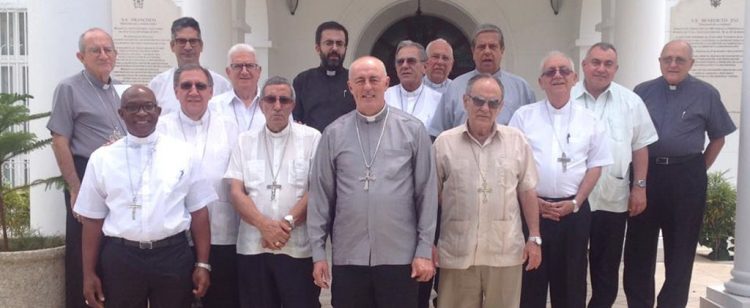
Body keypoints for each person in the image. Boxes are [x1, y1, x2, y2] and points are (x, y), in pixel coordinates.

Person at [307, 56, 438, 308]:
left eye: (374, 80)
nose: (367, 87)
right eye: (360, 81)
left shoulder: (412, 130)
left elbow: (427, 194)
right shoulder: (333, 133)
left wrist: (424, 250)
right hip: (349, 256)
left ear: (386, 83)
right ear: (351, 86)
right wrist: (318, 253)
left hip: (400, 256)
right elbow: (321, 197)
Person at [75, 85, 214, 308]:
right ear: (121, 114)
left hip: (172, 255)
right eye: (132, 108)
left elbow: (199, 212)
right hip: (122, 257)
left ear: (158, 112)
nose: (141, 113)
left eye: (148, 107)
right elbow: (92, 219)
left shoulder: (183, 153)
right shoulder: (102, 158)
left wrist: (203, 264)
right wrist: (88, 274)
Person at [623, 40, 736, 308]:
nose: (673, 64)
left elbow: (718, 137)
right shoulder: (642, 91)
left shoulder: (706, 93)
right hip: (646, 175)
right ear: (660, 61)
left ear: (691, 64)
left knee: (681, 251)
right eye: (667, 59)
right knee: (639, 249)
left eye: (680, 60)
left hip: (686, 178)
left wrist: (696, 169)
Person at [509, 51, 612, 308]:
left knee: (571, 285)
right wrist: (535, 202)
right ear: (541, 81)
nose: (557, 76)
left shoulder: (590, 120)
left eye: (564, 71)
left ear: (574, 78)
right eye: (550, 72)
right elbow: (512, 163)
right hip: (532, 211)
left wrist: (576, 202)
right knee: (529, 282)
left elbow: (595, 166)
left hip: (573, 213)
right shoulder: (524, 116)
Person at [434, 73, 542, 308]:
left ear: (501, 106)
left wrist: (534, 237)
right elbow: (432, 198)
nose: (485, 108)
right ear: (465, 101)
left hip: (504, 251)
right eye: (478, 101)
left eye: (493, 103)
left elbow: (527, 192)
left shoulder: (517, 141)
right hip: (457, 252)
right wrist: (429, 243)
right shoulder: (444, 143)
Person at [570, 42, 658, 308]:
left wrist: (639, 187)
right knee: (572, 268)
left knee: (606, 270)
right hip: (574, 200)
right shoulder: (566, 98)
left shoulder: (631, 102)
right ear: (584, 65)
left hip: (613, 199)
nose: (601, 68)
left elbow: (640, 146)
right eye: (595, 62)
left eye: (608, 64)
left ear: (616, 69)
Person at [225, 76, 322, 308]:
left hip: (297, 248)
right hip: (254, 246)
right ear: (261, 105)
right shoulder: (244, 141)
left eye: (284, 100)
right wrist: (264, 226)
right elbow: (236, 191)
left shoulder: (312, 138)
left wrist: (286, 224)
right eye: (270, 99)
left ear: (293, 105)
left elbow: (317, 189)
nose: (277, 106)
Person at [47, 28, 126, 308]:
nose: (104, 55)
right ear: (81, 56)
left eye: (108, 49)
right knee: (85, 254)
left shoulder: (120, 89)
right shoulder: (68, 88)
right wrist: (75, 187)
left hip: (117, 178)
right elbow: (60, 140)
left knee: (114, 247)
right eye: (96, 50)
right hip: (85, 175)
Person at [156, 64, 240, 307]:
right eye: (186, 86)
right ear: (176, 91)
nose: (194, 91)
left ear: (211, 92)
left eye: (200, 86)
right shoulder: (160, 128)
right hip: (175, 239)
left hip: (221, 234)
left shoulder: (229, 126)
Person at [428, 23, 535, 137]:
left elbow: (533, 132)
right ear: (473, 51)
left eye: (492, 46)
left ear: (502, 50)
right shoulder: (455, 87)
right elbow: (438, 134)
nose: (487, 51)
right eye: (481, 47)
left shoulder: (522, 89)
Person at [149, 17, 231, 114]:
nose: (188, 47)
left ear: (201, 46)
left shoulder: (221, 85)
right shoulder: (157, 85)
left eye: (193, 41)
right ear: (172, 46)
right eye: (181, 41)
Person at [292, 21, 356, 132]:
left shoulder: (355, 80)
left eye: (340, 44)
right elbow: (296, 121)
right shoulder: (303, 80)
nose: (335, 48)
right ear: (317, 48)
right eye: (329, 43)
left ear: (345, 49)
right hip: (313, 146)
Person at [384, 40, 442, 129]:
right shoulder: (384, 96)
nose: (404, 66)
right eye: (400, 62)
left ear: (425, 67)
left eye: (411, 61)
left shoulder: (438, 100)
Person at [209, 43, 266, 132]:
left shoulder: (274, 104)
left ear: (259, 71)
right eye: (237, 66)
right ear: (228, 72)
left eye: (250, 66)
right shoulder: (213, 106)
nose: (244, 71)